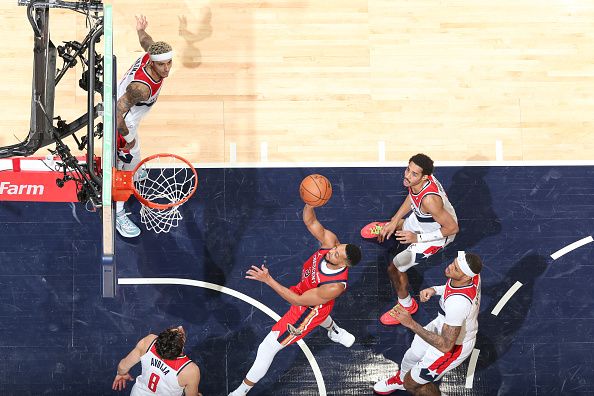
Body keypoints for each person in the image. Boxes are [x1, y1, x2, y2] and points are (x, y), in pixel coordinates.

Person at [228, 204, 362, 396]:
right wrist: (310, 202)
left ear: (343, 264)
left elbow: (298, 301)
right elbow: (311, 221)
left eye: (337, 254)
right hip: (310, 293)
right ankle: (335, 331)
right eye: (336, 248)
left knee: (267, 347)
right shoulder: (331, 242)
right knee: (322, 315)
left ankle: (242, 390)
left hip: (308, 309)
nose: (332, 250)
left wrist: (268, 280)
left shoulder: (334, 286)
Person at [362, 153, 459, 325]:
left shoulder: (430, 200)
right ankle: (393, 226)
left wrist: (417, 238)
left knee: (395, 268)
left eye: (414, 174)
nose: (407, 175)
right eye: (408, 169)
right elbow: (412, 197)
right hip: (423, 220)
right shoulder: (417, 182)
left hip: (437, 236)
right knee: (399, 224)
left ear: (425, 177)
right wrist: (393, 221)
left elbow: (452, 229)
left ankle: (407, 305)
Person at [373, 251, 482, 395]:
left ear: (467, 276)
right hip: (443, 324)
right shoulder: (469, 276)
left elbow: (445, 346)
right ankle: (400, 380)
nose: (450, 267)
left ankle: (408, 384)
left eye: (455, 268)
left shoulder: (458, 304)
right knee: (412, 355)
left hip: (453, 347)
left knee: (412, 385)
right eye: (453, 262)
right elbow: (451, 288)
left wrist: (411, 323)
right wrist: (435, 290)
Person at [115, 14, 173, 238]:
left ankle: (133, 167)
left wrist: (141, 29)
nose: (166, 68)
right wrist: (125, 139)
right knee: (125, 168)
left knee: (135, 156)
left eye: (169, 62)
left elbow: (145, 40)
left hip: (130, 117)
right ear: (151, 62)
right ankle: (118, 213)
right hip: (124, 123)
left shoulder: (152, 51)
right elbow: (119, 112)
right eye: (161, 64)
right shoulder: (141, 88)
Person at [112, 326, 201, 396]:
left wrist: (121, 374)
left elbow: (122, 366)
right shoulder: (189, 370)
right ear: (181, 348)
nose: (180, 327)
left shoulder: (148, 342)